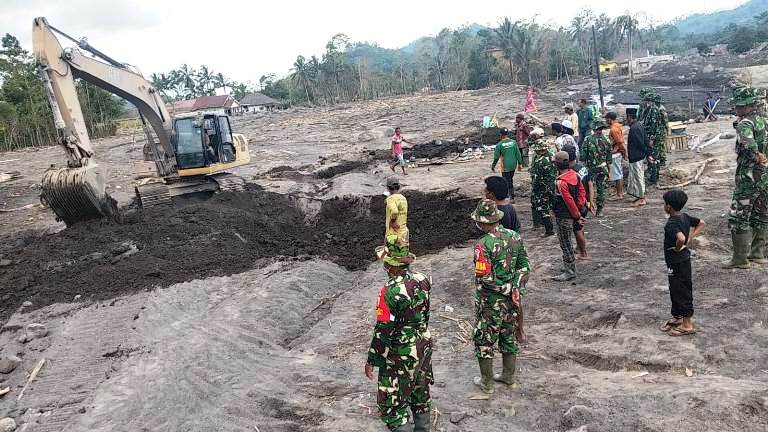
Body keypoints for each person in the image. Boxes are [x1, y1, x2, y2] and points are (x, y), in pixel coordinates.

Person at [366, 235, 433, 432]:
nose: (384, 268)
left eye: (386, 263)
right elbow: (425, 313)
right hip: (423, 344)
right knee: (420, 392)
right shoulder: (423, 279)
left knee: (392, 405)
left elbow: (384, 331)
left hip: (401, 352)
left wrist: (372, 360)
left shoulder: (389, 291)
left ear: (393, 266)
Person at [470, 199, 530, 395]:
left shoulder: (482, 245)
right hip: (513, 301)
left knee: (484, 340)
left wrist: (505, 289)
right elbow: (524, 266)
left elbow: (485, 277)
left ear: (484, 222)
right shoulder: (514, 236)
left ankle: (487, 383)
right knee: (508, 335)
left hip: (490, 302)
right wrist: (516, 289)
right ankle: (508, 376)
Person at [724, 86, 768, 269]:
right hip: (764, 176)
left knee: (738, 216)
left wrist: (757, 155)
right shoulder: (763, 121)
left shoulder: (745, 124)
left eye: (739, 106)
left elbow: (749, 145)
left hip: (749, 176)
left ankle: (740, 259)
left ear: (747, 106)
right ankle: (758, 253)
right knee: (761, 213)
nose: (736, 109)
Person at [661, 189, 705, 336]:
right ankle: (678, 317)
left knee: (681, 289)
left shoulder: (671, 223)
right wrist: (690, 238)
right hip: (682, 260)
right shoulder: (685, 217)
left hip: (677, 261)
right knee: (676, 287)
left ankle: (687, 324)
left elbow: (680, 238)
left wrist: (679, 246)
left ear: (668, 207)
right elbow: (701, 223)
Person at [551, 151, 587, 281]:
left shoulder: (561, 183)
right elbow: (582, 192)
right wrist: (580, 207)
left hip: (565, 216)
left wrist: (576, 215)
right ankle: (569, 265)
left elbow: (568, 201)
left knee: (565, 243)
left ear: (557, 164)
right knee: (569, 241)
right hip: (574, 213)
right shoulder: (575, 175)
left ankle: (570, 270)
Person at [563, 145, 591, 260]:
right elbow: (590, 184)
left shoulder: (571, 173)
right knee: (580, 227)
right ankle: (579, 247)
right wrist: (590, 200)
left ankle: (583, 253)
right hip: (584, 202)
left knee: (577, 229)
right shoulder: (581, 168)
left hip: (578, 204)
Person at [580, 118, 611, 217]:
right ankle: (600, 210)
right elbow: (609, 158)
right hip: (602, 169)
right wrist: (609, 170)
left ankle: (589, 209)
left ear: (593, 129)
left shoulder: (588, 139)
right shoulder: (606, 140)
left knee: (589, 189)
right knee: (601, 189)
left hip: (591, 169)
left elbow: (583, 156)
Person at [529, 129, 556, 236]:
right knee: (552, 204)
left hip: (541, 188)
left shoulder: (539, 162)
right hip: (551, 185)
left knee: (543, 208)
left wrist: (534, 187)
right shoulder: (551, 157)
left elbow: (537, 178)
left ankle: (549, 230)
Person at [491, 128, 523, 202]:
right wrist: (520, 164)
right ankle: (511, 196)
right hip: (513, 165)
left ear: (501, 135)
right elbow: (518, 154)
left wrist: (493, 166)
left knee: (506, 181)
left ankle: (510, 197)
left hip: (505, 165)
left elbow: (496, 157)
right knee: (510, 179)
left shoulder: (499, 144)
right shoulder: (513, 142)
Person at [644, 91, 669, 185]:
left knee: (654, 157)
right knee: (655, 156)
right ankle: (654, 175)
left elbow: (653, 126)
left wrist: (651, 139)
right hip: (655, 136)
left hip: (654, 137)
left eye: (647, 101)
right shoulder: (652, 109)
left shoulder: (654, 110)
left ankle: (654, 177)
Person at [626, 110, 649, 206]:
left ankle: (642, 198)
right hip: (638, 155)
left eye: (627, 117)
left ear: (630, 117)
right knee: (637, 176)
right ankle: (639, 195)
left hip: (637, 156)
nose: (626, 120)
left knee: (638, 177)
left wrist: (646, 152)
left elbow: (640, 142)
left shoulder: (634, 128)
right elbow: (645, 139)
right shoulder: (639, 125)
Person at [606, 112, 627, 201]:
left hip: (616, 153)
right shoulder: (618, 126)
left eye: (606, 119)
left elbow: (619, 141)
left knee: (617, 174)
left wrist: (616, 150)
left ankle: (619, 194)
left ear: (610, 119)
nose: (606, 121)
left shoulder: (613, 129)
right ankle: (620, 192)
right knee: (619, 173)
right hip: (618, 152)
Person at [385, 178, 409, 247]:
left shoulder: (390, 199)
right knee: (402, 253)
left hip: (394, 232)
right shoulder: (403, 198)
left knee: (394, 254)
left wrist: (392, 221)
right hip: (403, 230)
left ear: (388, 188)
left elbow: (394, 211)